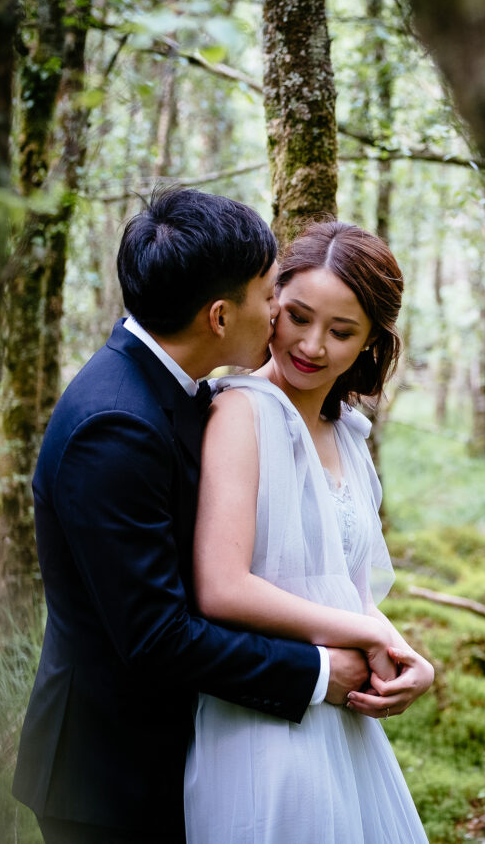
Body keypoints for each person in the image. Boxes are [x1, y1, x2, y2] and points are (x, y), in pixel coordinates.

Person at [13, 189, 370, 844]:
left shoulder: (169, 390)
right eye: (269, 297)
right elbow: (154, 636)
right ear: (218, 315)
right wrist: (318, 673)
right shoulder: (115, 424)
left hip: (175, 752)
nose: (275, 316)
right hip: (108, 778)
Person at [184, 221, 432, 843]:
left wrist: (407, 660)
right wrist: (366, 633)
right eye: (296, 316)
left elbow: (348, 589)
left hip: (342, 724)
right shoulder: (239, 410)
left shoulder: (348, 431)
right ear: (271, 304)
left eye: (342, 332)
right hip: (263, 716)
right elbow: (222, 586)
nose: (312, 345)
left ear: (373, 342)